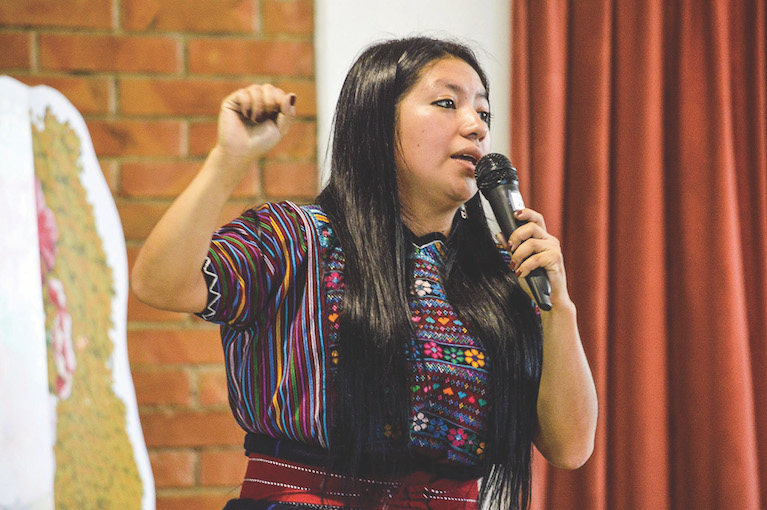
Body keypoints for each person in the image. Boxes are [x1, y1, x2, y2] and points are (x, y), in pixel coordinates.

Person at [131, 36, 598, 509]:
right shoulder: (296, 238)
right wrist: (229, 159)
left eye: (484, 113)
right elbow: (160, 283)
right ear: (377, 121)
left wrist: (558, 306)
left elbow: (570, 447)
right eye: (446, 103)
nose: (475, 126)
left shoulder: (501, 273)